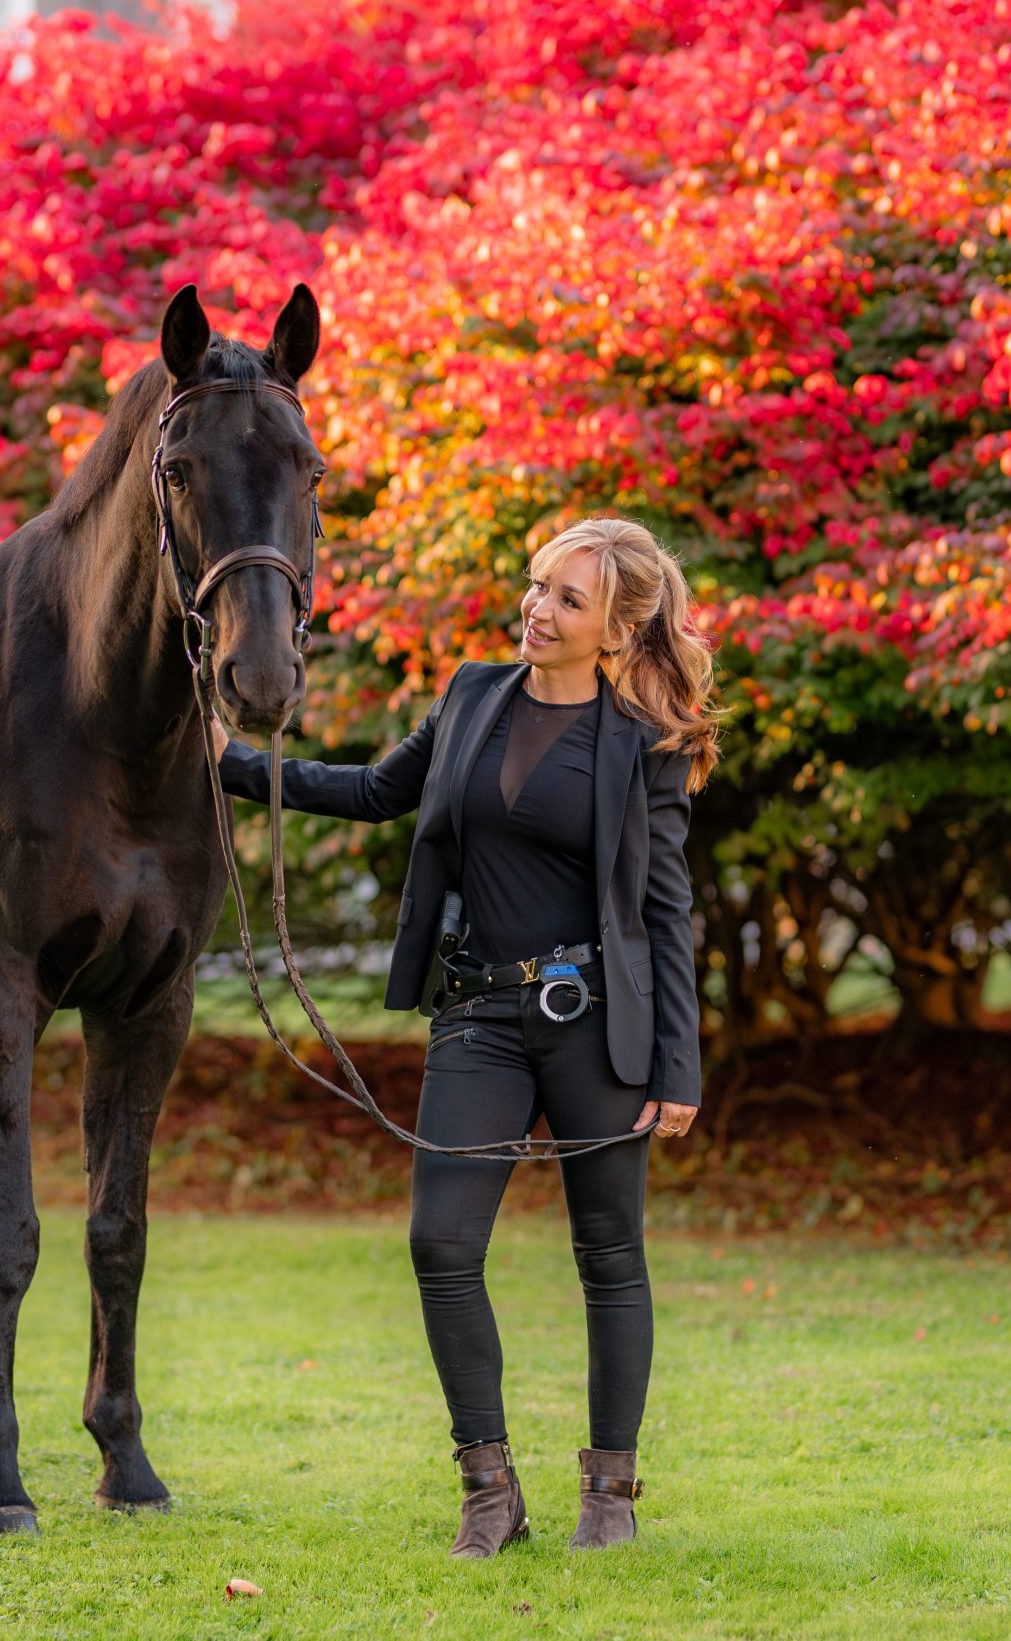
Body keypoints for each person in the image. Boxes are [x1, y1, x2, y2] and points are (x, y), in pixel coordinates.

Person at [213, 517, 715, 1559]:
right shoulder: (473, 695)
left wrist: (679, 1067)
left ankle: (610, 1492)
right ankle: (489, 1490)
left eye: (568, 599)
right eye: (537, 586)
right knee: (440, 1243)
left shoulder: (642, 743)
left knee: (609, 1253)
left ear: (616, 630)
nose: (539, 609)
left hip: (594, 1024)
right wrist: (235, 765)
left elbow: (666, 912)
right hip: (478, 1014)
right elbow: (375, 792)